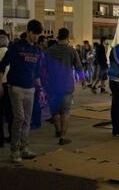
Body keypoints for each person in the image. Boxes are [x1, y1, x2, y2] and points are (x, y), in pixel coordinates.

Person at [0, 19, 44, 163]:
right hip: (16, 87)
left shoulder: (37, 50)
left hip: (30, 88)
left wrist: (41, 89)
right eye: (35, 34)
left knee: (27, 120)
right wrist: (0, 84)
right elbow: (2, 66)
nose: (36, 37)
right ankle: (14, 150)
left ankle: (24, 148)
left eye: (38, 35)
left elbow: (37, 72)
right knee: (19, 118)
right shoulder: (16, 47)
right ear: (28, 32)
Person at [45, 28, 85, 145]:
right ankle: (63, 136)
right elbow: (78, 67)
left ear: (58, 37)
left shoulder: (49, 51)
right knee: (65, 111)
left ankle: (57, 130)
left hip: (52, 85)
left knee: (55, 110)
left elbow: (43, 68)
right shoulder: (71, 51)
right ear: (67, 38)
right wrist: (82, 80)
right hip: (66, 85)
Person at [0, 35, 12, 147]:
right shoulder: (10, 52)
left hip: (0, 84)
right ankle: (11, 136)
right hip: (10, 85)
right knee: (10, 113)